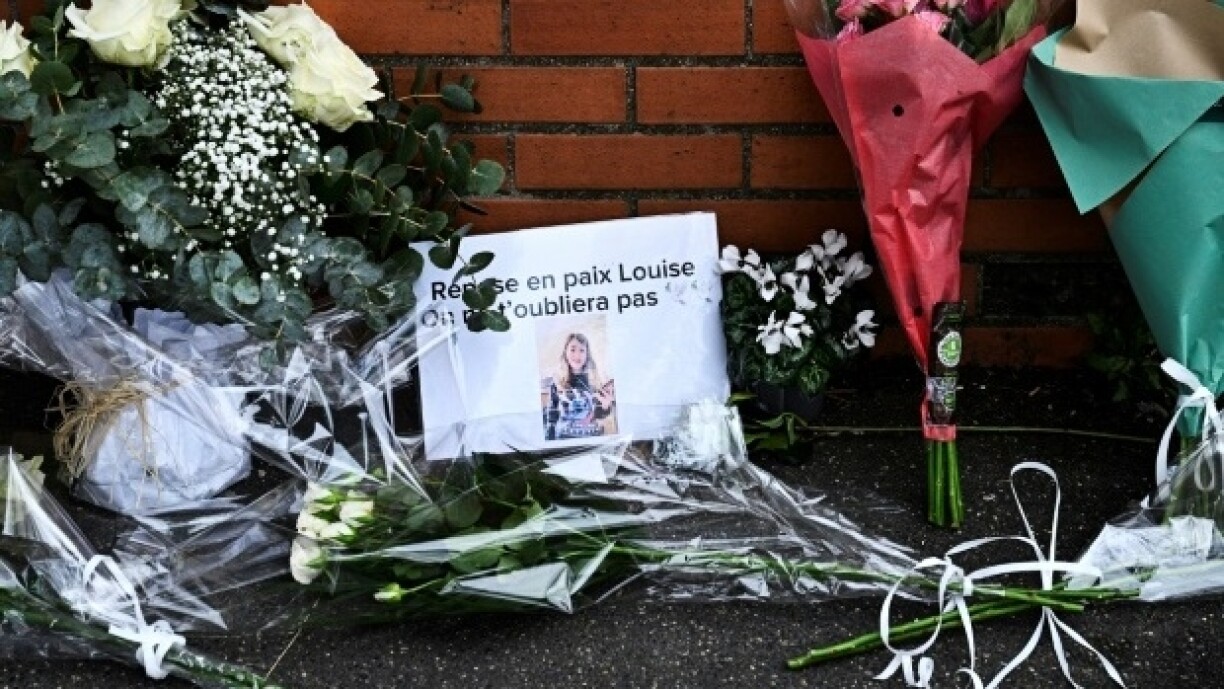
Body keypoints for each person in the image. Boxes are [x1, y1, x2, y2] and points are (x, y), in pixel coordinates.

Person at [542, 333, 616, 439]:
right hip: (563, 438)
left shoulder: (596, 380)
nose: (577, 355)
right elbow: (552, 415)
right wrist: (550, 440)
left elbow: (599, 414)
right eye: (572, 349)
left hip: (592, 437)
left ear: (587, 354)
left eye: (582, 350)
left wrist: (606, 406)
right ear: (565, 353)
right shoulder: (557, 381)